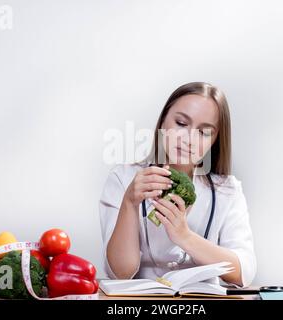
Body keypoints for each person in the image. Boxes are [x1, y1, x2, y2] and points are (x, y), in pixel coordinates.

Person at [99, 82, 256, 287]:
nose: (189, 139)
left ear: (215, 141)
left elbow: (244, 271)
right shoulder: (122, 178)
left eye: (204, 132)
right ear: (163, 122)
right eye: (181, 123)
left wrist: (185, 237)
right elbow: (119, 272)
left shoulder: (228, 190)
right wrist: (129, 203)